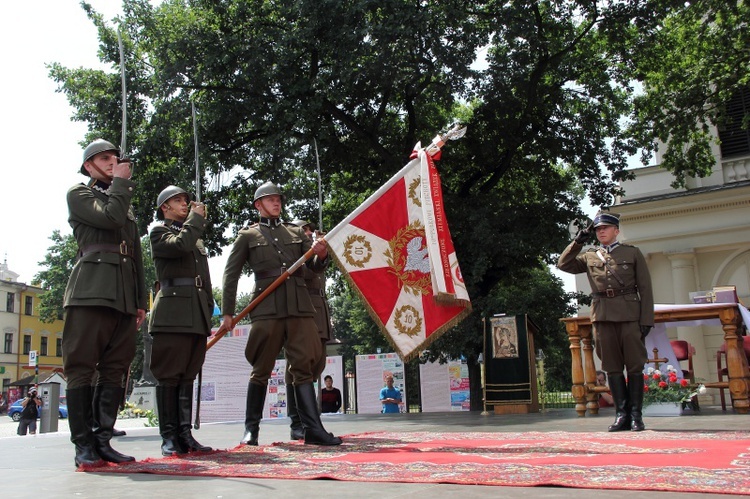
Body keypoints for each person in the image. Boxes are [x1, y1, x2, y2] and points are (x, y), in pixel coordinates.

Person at [221, 181, 341, 446]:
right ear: (258, 205)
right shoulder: (248, 236)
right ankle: (251, 430)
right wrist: (227, 313)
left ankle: (312, 429)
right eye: (270, 199)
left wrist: (320, 257)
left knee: (304, 368)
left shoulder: (296, 232)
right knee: (261, 368)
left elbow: (311, 270)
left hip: (299, 306)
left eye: (278, 199)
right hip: (266, 307)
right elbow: (231, 274)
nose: (276, 203)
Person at [63, 139, 147, 467]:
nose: (112, 162)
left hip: (124, 295)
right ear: (89, 166)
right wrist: (122, 183)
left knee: (115, 369)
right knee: (82, 368)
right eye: (104, 158)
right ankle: (83, 444)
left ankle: (103, 440)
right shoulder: (79, 194)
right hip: (91, 290)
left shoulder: (121, 200)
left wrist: (140, 301)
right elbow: (109, 219)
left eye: (114, 157)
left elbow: (136, 255)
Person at [558, 211, 654, 432]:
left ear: (616, 230)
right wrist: (577, 241)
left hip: (630, 315)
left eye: (606, 228)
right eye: (598, 229)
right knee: (612, 367)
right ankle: (621, 415)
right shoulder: (590, 256)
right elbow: (563, 264)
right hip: (602, 316)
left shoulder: (632, 253)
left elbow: (646, 288)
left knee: (635, 366)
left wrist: (646, 318)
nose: (601, 232)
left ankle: (636, 416)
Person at [149, 185, 214, 456]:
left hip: (196, 312)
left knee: (188, 374)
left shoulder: (194, 237)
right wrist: (196, 220)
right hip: (172, 313)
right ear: (165, 207)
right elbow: (180, 246)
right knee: (169, 375)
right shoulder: (159, 231)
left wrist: (208, 308)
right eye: (178, 201)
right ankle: (169, 436)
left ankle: (185, 434)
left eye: (186, 200)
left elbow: (204, 279)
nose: (185, 204)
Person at [284, 219, 334, 439]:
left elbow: (321, 265)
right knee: (298, 367)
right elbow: (302, 272)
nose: (308, 233)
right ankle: (298, 422)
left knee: (316, 366)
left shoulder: (312, 253)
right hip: (302, 312)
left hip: (319, 312)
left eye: (310, 231)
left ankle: (311, 419)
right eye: (304, 230)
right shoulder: (291, 253)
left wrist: (322, 250)